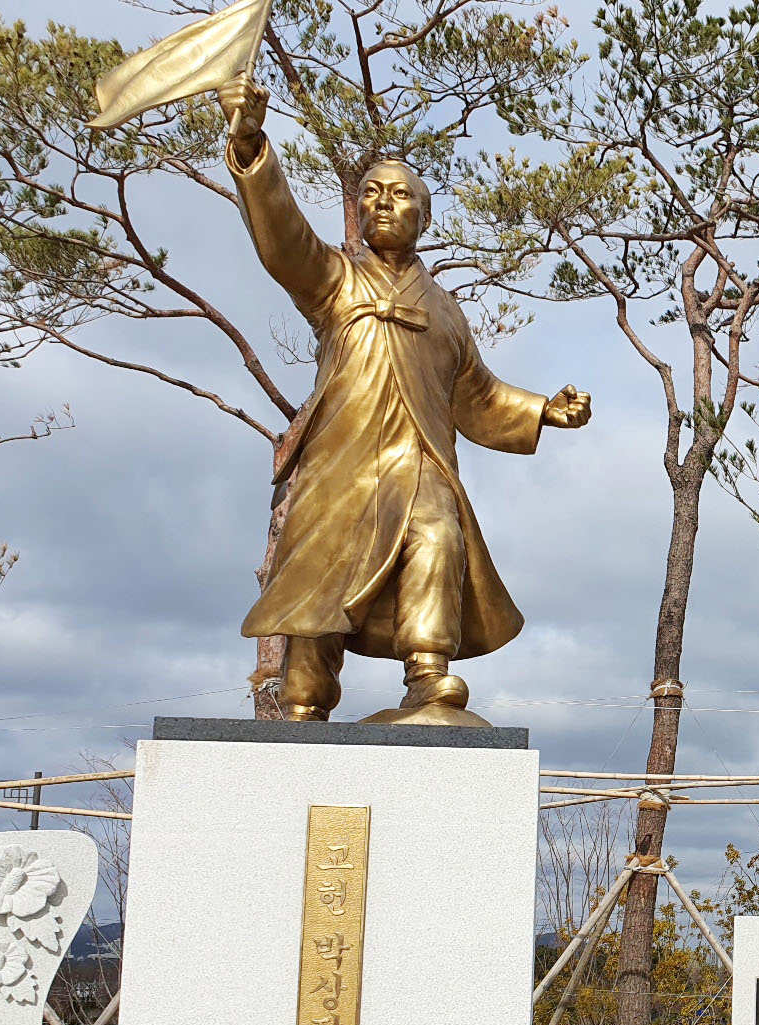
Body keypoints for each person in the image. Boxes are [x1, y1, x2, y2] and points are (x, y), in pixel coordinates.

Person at [217, 79, 592, 725]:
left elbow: (476, 392)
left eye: (399, 195)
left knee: (438, 536)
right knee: (318, 593)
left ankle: (426, 672)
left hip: (419, 462)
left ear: (423, 215)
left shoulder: (445, 311)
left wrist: (541, 410)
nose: (382, 203)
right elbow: (282, 239)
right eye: (370, 193)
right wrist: (252, 146)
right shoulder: (334, 280)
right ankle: (305, 702)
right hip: (342, 464)